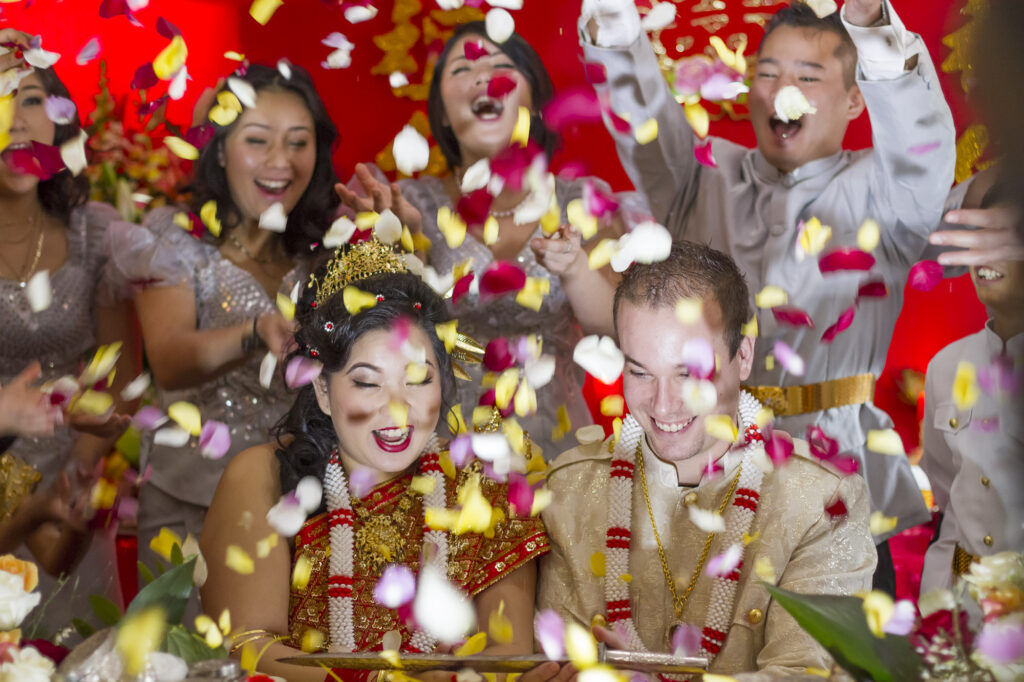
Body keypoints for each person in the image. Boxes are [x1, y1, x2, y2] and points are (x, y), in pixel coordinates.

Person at [577, 0, 955, 592]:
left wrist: (871, 26)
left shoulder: (886, 195)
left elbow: (919, 149)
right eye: (769, 73)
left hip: (845, 487)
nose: (784, 91)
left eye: (808, 76)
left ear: (855, 99)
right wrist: (612, 19)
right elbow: (641, 119)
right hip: (705, 479)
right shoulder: (701, 175)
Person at [200, 241, 550, 681]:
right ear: (323, 389)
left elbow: (508, 653)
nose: (398, 410)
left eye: (418, 379)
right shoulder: (263, 476)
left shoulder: (485, 485)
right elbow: (249, 646)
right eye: (367, 383)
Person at [537, 241, 875, 680]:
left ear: (744, 355)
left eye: (689, 373)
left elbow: (810, 675)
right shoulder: (569, 491)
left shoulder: (820, 501)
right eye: (639, 372)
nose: (663, 404)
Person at [338, 22, 649, 461]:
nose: (483, 77)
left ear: (534, 102)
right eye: (462, 69)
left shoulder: (583, 202)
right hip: (438, 449)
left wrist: (574, 267)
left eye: (502, 66)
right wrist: (402, 249)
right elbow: (380, 343)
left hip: (556, 449)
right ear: (442, 113)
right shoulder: (411, 206)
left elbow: (618, 330)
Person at [105, 62, 341, 592]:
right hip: (191, 505)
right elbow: (169, 360)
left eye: (298, 142)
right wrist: (256, 331)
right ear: (218, 149)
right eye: (257, 140)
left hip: (304, 504)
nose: (280, 160)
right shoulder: (175, 238)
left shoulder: (330, 247)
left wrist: (394, 241)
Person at [0, 36, 140, 634]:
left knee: (71, 648)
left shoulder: (95, 233)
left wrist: (81, 467)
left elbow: (121, 371)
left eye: (31, 99)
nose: (16, 120)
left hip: (74, 476)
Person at [919, 202, 1024, 594]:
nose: (984, 256)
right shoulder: (945, 366)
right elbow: (948, 496)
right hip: (961, 601)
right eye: (978, 238)